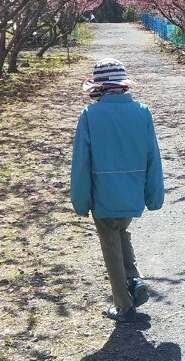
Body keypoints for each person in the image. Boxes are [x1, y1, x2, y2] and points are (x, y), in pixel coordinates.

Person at [71, 58, 164, 322]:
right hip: (132, 194)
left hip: (103, 196)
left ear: (99, 88)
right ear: (123, 87)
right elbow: (152, 158)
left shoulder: (89, 115)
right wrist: (153, 197)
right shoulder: (142, 112)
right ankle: (134, 281)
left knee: (111, 247)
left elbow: (81, 164)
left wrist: (80, 201)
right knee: (121, 231)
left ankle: (123, 305)